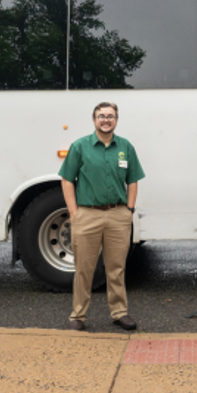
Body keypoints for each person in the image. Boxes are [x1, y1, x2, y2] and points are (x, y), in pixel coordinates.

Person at [59, 102, 145, 331]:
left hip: (118, 215)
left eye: (110, 116)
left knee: (116, 268)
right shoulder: (80, 147)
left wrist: (129, 210)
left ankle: (119, 313)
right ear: (94, 120)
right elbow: (67, 180)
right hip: (87, 215)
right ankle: (78, 315)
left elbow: (133, 180)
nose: (106, 120)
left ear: (116, 120)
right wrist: (74, 213)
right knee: (84, 268)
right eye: (101, 116)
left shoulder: (125, 147)